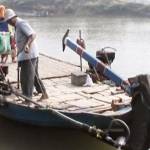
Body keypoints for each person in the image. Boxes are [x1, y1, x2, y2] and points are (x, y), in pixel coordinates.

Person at [4, 8, 48, 100]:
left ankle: (28, 98)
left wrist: (27, 45)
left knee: (26, 77)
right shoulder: (16, 26)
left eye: (8, 21)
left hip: (29, 55)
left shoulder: (21, 23)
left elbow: (32, 34)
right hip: (27, 55)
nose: (8, 23)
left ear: (12, 18)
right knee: (35, 76)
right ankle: (44, 93)